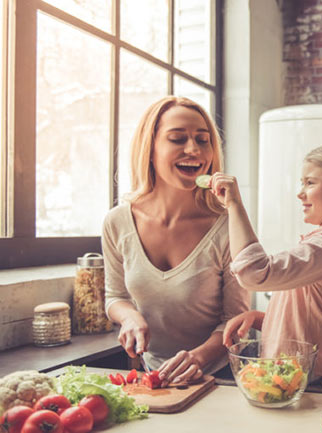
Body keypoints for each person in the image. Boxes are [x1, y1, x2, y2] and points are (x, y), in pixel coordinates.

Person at [103, 96, 250, 386]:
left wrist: (198, 358)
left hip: (221, 378)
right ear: (150, 148)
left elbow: (237, 320)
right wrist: (130, 317)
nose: (194, 150)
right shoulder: (117, 222)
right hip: (153, 375)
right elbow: (115, 297)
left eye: (203, 139)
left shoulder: (226, 226)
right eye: (178, 138)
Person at [212, 142, 322, 391]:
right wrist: (260, 319)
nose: (300, 193)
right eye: (302, 183)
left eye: (310, 183)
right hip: (299, 381)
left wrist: (234, 204)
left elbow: (254, 273)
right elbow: (305, 321)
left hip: (315, 385)